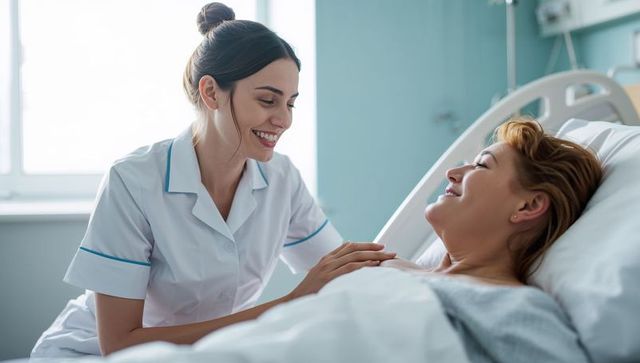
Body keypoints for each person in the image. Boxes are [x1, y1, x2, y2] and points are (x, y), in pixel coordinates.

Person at [31, 3, 396, 358]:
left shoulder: (281, 178)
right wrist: (290, 303)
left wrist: (442, 269)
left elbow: (346, 267)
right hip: (91, 353)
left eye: (291, 103)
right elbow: (120, 344)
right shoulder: (133, 181)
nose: (284, 120)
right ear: (211, 93)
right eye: (268, 100)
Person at [377, 116, 602, 362]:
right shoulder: (388, 265)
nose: (451, 173)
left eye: (481, 165)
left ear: (529, 205)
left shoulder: (517, 310)